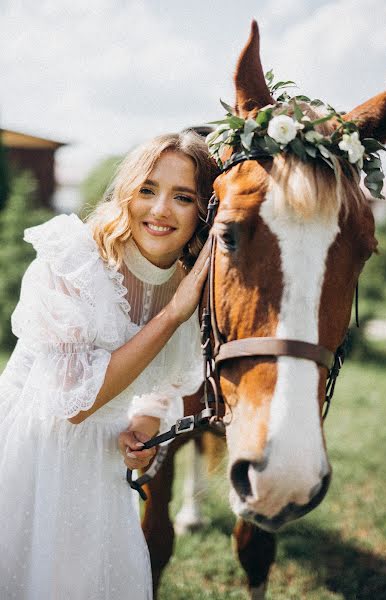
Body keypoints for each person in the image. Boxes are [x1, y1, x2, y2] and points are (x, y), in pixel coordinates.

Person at [0, 131, 219, 599]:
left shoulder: (194, 282)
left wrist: (140, 429)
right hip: (34, 451)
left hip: (102, 469)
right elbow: (73, 403)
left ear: (204, 211)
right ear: (126, 192)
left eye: (182, 197)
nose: (160, 210)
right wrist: (173, 313)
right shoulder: (73, 261)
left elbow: (167, 383)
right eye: (147, 189)